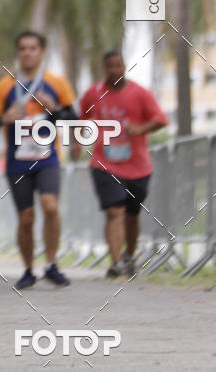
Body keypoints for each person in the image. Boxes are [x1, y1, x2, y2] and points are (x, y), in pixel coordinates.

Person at [0, 31, 76, 289]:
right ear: (18, 52)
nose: (27, 53)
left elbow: (74, 119)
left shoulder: (55, 83)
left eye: (33, 48)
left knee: (50, 206)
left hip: (47, 158)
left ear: (42, 52)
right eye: (23, 48)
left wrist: (54, 111)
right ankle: (27, 270)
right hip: (18, 162)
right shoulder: (5, 86)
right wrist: (3, 119)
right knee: (25, 217)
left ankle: (51, 264)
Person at [77, 49, 168, 277]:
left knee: (131, 214)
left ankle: (129, 255)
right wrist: (79, 142)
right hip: (105, 164)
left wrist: (140, 129)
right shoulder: (93, 93)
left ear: (124, 66)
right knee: (114, 211)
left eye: (118, 65)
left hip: (138, 166)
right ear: (104, 69)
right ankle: (116, 262)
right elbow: (82, 120)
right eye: (110, 66)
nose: (114, 70)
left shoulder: (140, 94)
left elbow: (161, 119)